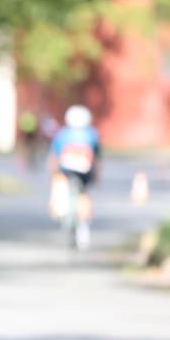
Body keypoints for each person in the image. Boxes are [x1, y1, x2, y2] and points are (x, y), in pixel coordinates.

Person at [48, 105, 101, 250]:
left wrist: (53, 175)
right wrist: (96, 177)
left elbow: (54, 156)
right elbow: (97, 158)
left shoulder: (63, 134)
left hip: (65, 171)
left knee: (60, 188)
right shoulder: (91, 134)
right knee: (84, 195)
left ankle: (59, 212)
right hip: (85, 171)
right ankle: (83, 228)